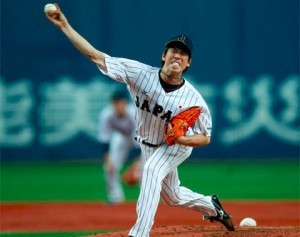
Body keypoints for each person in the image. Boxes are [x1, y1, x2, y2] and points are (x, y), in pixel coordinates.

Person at [45, 4, 235, 236]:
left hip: (175, 145)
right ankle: (211, 205)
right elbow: (95, 55)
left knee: (152, 171)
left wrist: (183, 139)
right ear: (163, 56)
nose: (178, 55)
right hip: (147, 143)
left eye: (183, 53)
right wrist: (65, 25)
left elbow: (205, 137)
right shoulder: (139, 74)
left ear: (188, 63)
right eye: (173, 50)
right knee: (172, 196)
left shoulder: (194, 100)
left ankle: (139, 233)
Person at [98, 90, 141, 204]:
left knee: (146, 169)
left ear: (125, 103)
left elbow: (138, 141)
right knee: (109, 168)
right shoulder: (106, 114)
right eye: (115, 102)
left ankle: (148, 199)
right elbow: (105, 139)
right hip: (121, 138)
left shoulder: (134, 113)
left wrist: (136, 164)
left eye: (120, 102)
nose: (117, 105)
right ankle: (115, 197)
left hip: (142, 139)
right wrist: (108, 161)